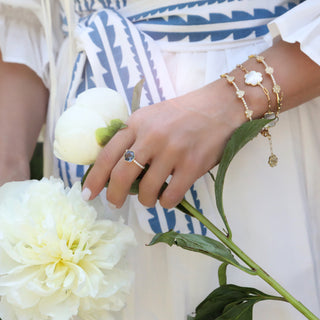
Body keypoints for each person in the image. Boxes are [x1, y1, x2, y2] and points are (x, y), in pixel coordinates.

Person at [0, 0, 320, 319]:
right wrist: (9, 188)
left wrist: (229, 102)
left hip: (255, 118)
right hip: (82, 183)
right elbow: (28, 23)